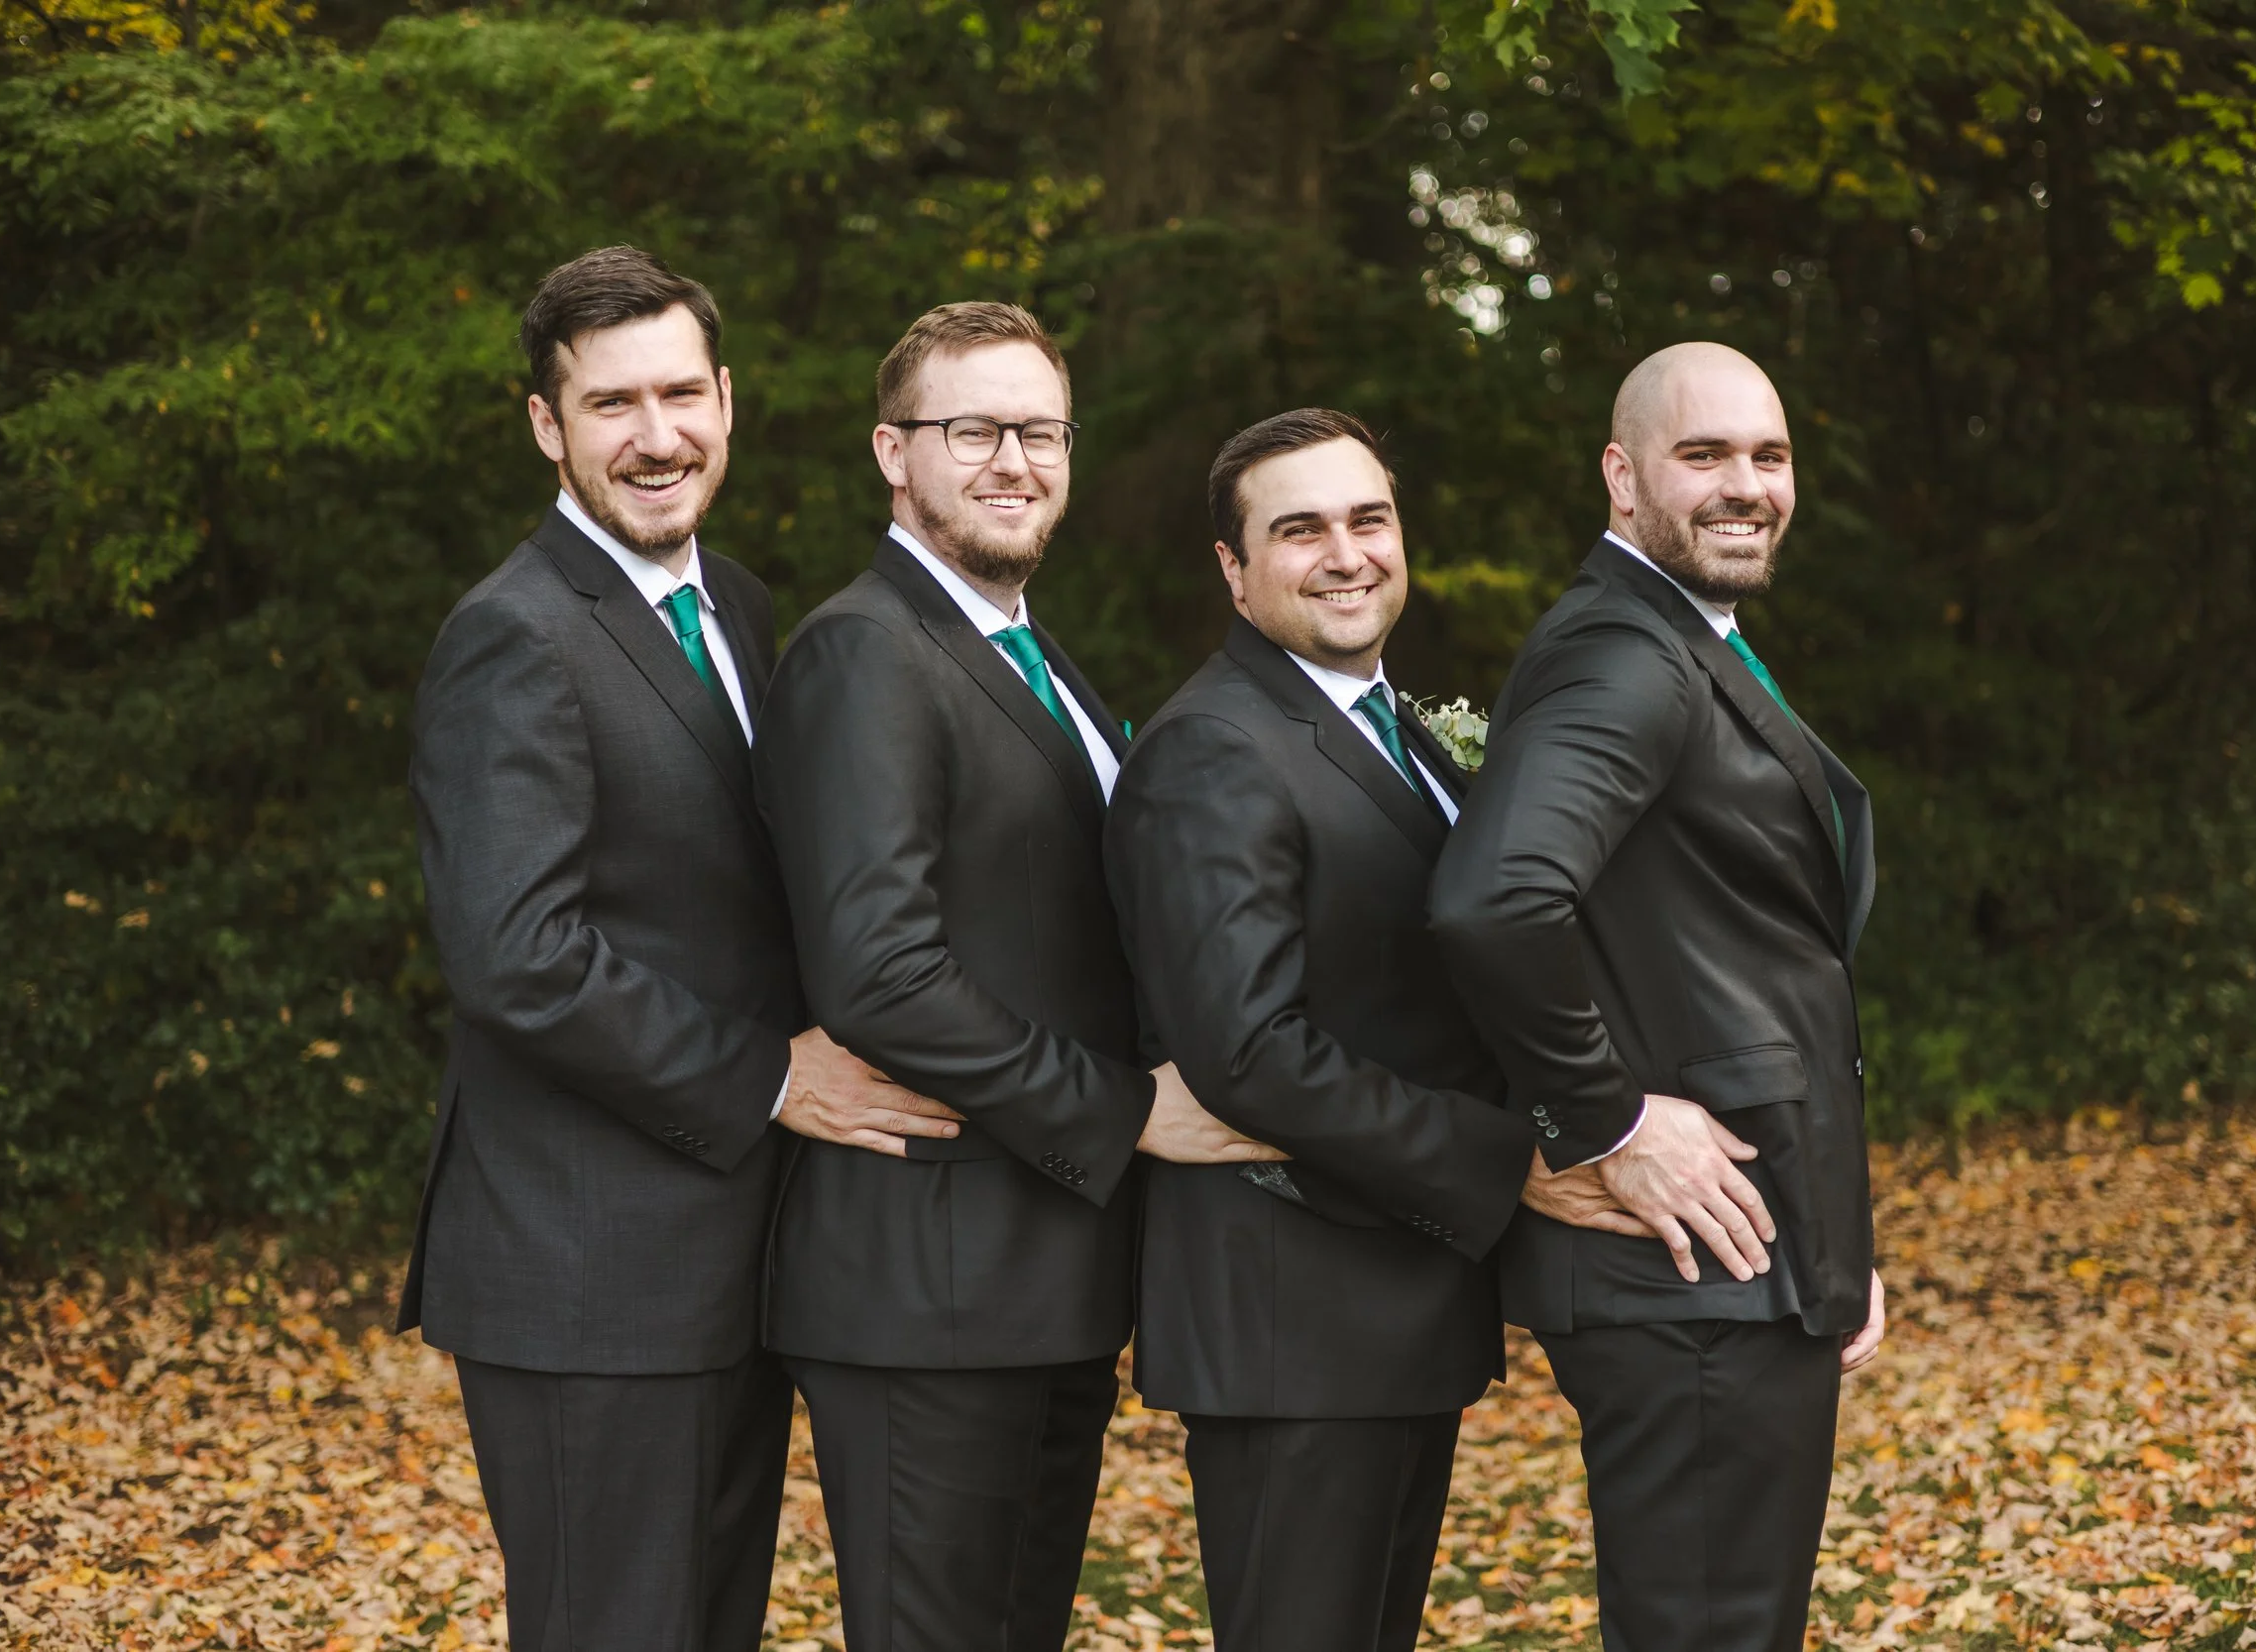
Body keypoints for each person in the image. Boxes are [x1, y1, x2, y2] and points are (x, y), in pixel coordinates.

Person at [403, 246, 955, 1652]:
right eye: (610, 404)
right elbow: (518, 952)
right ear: (549, 425)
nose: (656, 437)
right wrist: (774, 1078)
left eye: (678, 393)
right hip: (587, 1268)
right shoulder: (514, 636)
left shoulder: (745, 608)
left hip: (725, 1258)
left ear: (728, 397)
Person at [752, 301, 1277, 1652]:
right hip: (927, 1277)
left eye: (1039, 430)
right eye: (971, 428)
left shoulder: (1030, 658)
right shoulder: (868, 649)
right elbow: (879, 966)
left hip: (1035, 1272)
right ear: (893, 450)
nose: (1013, 460)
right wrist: (1122, 1109)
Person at [1427, 341, 1889, 1652]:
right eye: (1706, 456)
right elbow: (1494, 897)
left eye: (1769, 455)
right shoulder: (1625, 654)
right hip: (1689, 1275)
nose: (1745, 485)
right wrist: (1609, 1117)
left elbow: (1731, 955)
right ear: (1622, 477)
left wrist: (1838, 1237)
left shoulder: (1690, 638)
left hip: (1752, 1251)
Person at [1105, 410, 1533, 1652]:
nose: (1346, 553)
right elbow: (1246, 1049)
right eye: (1299, 529)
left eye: (1368, 519)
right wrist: (1503, 1158)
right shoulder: (1212, 747)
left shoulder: (1387, 725)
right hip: (1291, 1310)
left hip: (1387, 1296)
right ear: (1234, 572)